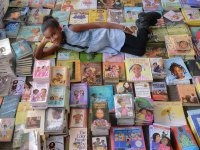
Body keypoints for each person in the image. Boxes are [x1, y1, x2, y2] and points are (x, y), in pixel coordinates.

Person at [34, 12, 163, 59]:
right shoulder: (58, 44)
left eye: (54, 34)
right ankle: (142, 23)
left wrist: (121, 27)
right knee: (140, 51)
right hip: (108, 45)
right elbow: (39, 56)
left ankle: (144, 21)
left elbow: (96, 24)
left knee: (140, 44)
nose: (53, 39)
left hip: (110, 35)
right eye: (49, 37)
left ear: (59, 28)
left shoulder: (72, 29)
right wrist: (43, 43)